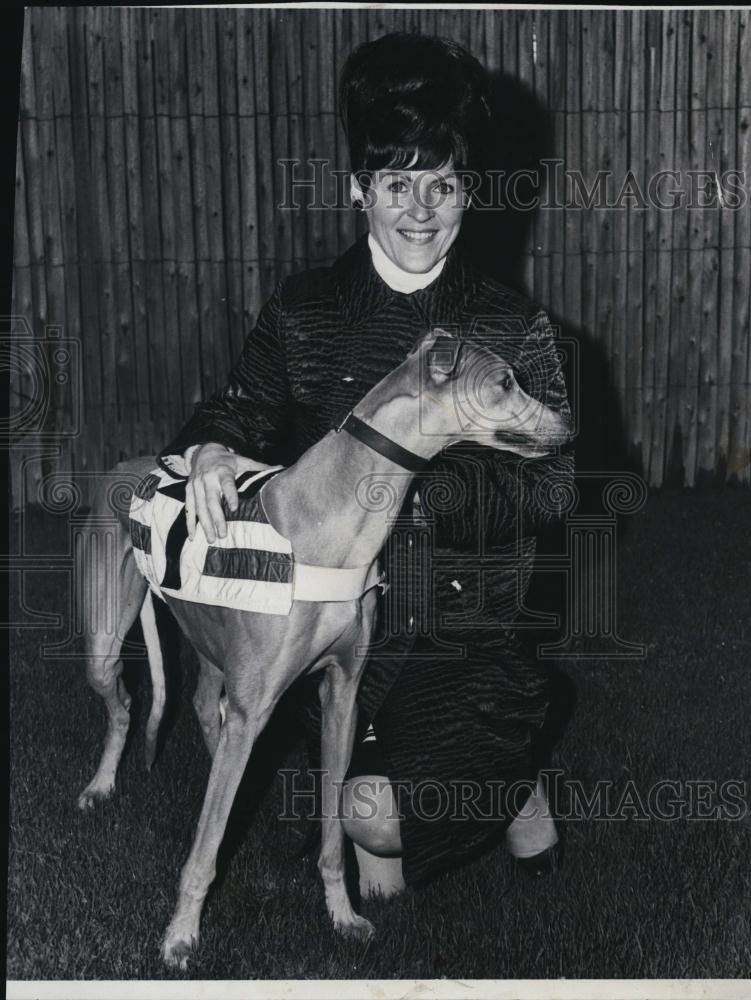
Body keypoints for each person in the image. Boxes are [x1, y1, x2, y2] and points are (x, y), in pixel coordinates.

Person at [159, 32, 574, 898]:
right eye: (395, 183)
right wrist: (208, 450)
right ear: (358, 188)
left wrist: (415, 483)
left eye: (443, 184)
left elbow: (553, 488)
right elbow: (234, 408)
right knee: (341, 807)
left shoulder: (510, 327)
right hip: (326, 626)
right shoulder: (305, 310)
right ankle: (407, 794)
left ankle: (510, 777)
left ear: (470, 190)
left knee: (375, 817)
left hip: (455, 635)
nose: (420, 210)